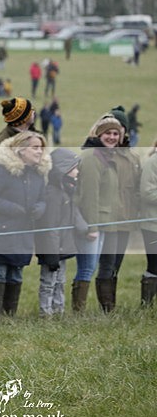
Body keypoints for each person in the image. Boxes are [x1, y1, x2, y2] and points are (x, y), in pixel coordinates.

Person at [0, 131, 50, 317]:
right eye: (35, 147)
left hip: (23, 233)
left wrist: (39, 209)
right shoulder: (2, 172)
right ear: (20, 150)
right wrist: (11, 208)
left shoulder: (38, 175)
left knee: (16, 275)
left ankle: (10, 316)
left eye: (41, 148)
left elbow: (43, 199)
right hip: (1, 233)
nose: (39, 151)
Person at [73, 115, 123, 313]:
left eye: (115, 134)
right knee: (86, 267)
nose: (112, 137)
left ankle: (80, 310)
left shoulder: (106, 157)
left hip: (103, 221)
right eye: (107, 133)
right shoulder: (92, 157)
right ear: (98, 134)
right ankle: (78, 312)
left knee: (91, 267)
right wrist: (92, 226)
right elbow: (89, 196)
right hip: (92, 223)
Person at [97, 108, 140, 313]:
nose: (115, 134)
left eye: (119, 129)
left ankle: (110, 304)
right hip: (106, 219)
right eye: (111, 130)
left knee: (116, 264)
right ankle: (106, 308)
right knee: (105, 264)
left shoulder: (132, 158)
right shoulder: (99, 155)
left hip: (126, 219)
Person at [35, 148, 87, 317]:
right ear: (63, 169)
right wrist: (52, 254)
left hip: (63, 248)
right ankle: (46, 313)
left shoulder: (67, 190)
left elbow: (73, 215)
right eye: (74, 168)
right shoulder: (53, 194)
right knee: (48, 282)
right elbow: (50, 226)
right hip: (52, 250)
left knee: (60, 281)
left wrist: (85, 228)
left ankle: (59, 311)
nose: (77, 171)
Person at [0, 97, 37, 180]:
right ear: (23, 118)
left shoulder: (32, 136)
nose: (34, 112)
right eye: (31, 110)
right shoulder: (1, 142)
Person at [139, 139, 157, 307]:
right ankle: (146, 305)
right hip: (152, 225)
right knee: (154, 265)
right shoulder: (153, 162)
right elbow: (147, 192)